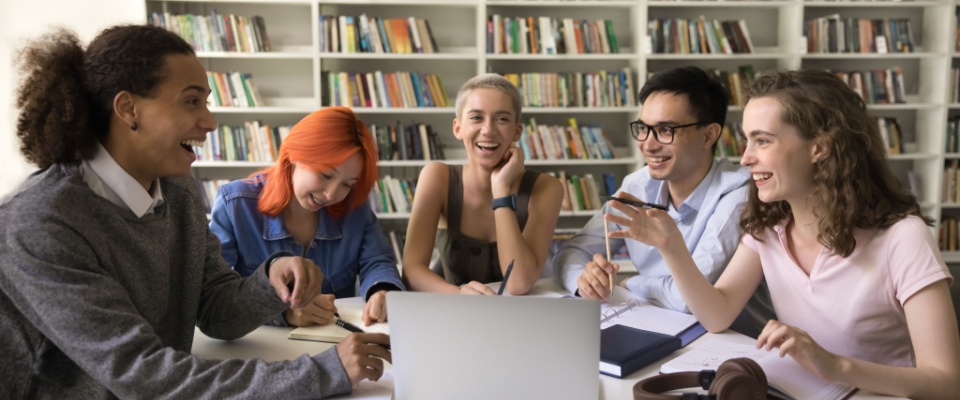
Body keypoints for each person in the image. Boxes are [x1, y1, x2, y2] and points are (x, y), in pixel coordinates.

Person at [0, 25, 389, 398]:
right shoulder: (40, 221)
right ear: (127, 108)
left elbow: (215, 309)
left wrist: (271, 280)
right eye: (191, 100)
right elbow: (142, 376)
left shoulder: (175, 187)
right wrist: (323, 372)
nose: (210, 121)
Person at [608, 68, 960, 398]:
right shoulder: (768, 229)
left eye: (762, 141)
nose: (744, 158)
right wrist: (671, 246)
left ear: (819, 147)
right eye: (746, 141)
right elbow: (717, 315)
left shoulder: (903, 238)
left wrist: (834, 365)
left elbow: (948, 382)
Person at [553, 66, 772, 336]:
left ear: (709, 135)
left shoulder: (739, 193)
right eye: (643, 128)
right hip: (658, 326)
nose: (648, 144)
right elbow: (568, 254)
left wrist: (630, 283)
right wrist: (583, 280)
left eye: (666, 130)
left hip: (734, 344)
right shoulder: (637, 185)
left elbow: (689, 300)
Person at [210, 106, 404, 327]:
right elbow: (216, 297)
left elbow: (377, 261)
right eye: (326, 174)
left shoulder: (354, 208)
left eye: (347, 184)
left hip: (336, 344)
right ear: (294, 155)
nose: (332, 194)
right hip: (261, 348)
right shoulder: (234, 205)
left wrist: (382, 291)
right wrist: (282, 314)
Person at [402, 73, 565, 295]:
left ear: (517, 131)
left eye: (502, 119)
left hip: (519, 319)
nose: (488, 130)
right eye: (476, 117)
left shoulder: (547, 188)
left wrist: (501, 189)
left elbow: (518, 283)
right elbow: (411, 271)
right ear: (458, 128)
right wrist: (458, 295)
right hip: (452, 312)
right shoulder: (436, 177)